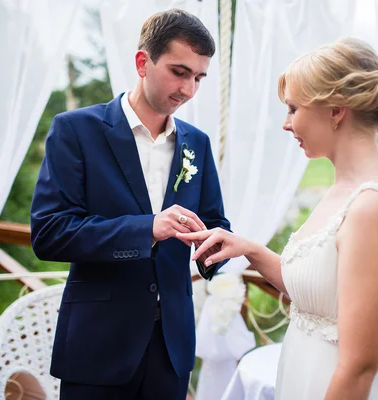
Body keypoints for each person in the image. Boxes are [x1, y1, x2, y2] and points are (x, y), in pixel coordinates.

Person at [178, 37, 378, 400]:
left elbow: (359, 368)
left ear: (335, 110)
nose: (286, 124)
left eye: (293, 108)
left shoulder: (374, 207)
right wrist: (251, 250)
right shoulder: (346, 189)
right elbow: (320, 296)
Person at [30, 9, 230, 400]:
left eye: (198, 78)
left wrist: (214, 250)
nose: (189, 90)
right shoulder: (75, 130)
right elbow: (50, 234)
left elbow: (215, 221)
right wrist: (147, 229)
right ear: (143, 62)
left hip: (172, 348)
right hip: (97, 346)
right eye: (179, 72)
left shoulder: (197, 143)